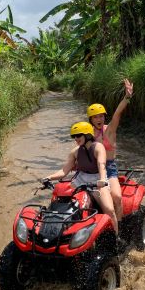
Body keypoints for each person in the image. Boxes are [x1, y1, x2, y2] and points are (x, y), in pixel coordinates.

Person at [42, 121, 119, 234]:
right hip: (80, 180)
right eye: (74, 136)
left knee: (110, 209)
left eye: (78, 135)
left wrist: (102, 180)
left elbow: (101, 164)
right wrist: (48, 177)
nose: (76, 138)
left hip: (97, 180)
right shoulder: (75, 151)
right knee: (62, 202)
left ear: (87, 135)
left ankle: (115, 237)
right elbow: (64, 171)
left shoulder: (98, 147)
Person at [86, 78, 133, 223]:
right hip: (93, 170)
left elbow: (117, 113)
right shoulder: (88, 134)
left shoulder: (110, 130)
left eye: (101, 116)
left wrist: (127, 97)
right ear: (91, 120)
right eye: (95, 117)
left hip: (110, 168)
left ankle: (118, 229)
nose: (99, 119)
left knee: (117, 197)